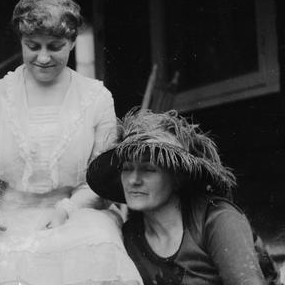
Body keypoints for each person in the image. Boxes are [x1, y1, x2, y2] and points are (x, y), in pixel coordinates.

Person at [0, 0, 142, 285]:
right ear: (21, 42)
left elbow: (104, 177)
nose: (43, 57)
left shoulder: (96, 97)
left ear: (73, 42)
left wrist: (66, 209)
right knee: (7, 266)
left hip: (78, 213)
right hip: (9, 218)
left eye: (55, 46)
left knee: (97, 251)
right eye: (32, 46)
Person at [87, 108, 273, 285]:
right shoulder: (130, 237)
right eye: (127, 169)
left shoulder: (217, 219)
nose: (133, 180)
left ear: (178, 178)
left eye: (148, 169)